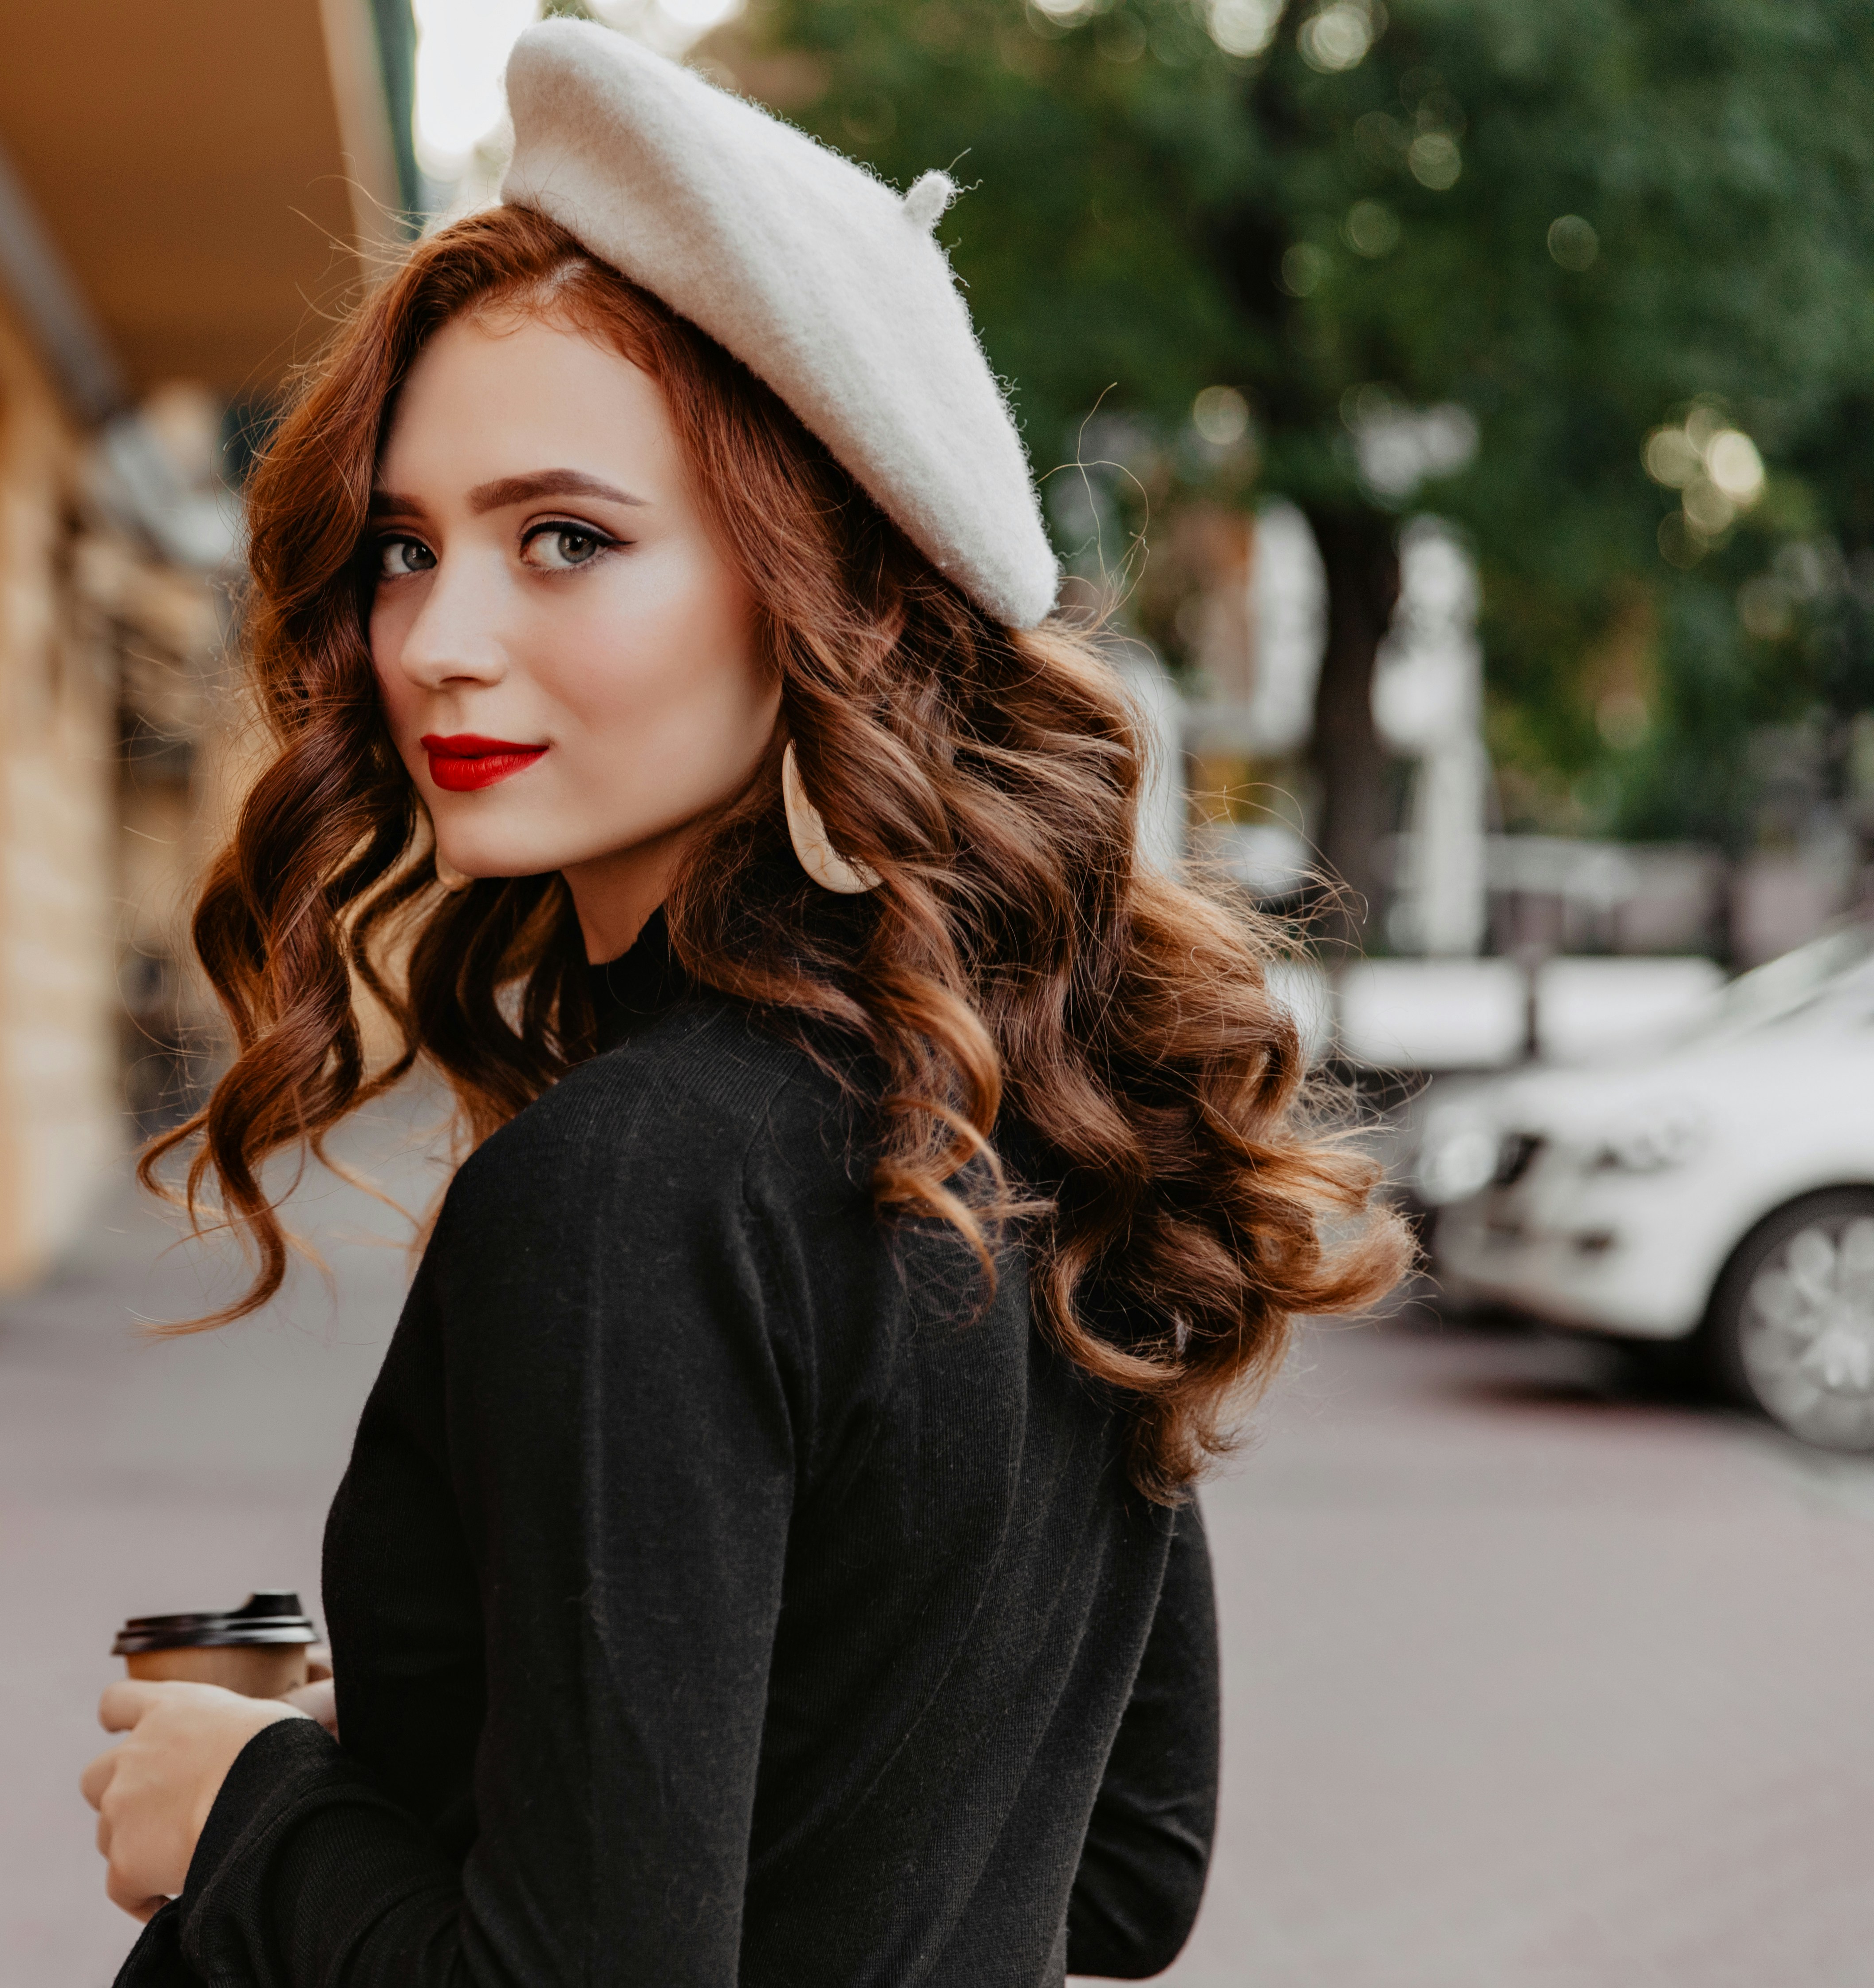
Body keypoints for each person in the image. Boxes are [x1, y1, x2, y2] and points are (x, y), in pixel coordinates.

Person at [79, 22, 1407, 1986]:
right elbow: (1119, 1866)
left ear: (833, 592)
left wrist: (246, 1819)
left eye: (568, 541)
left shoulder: (633, 1185)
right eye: (401, 548)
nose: (439, 641)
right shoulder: (1043, 1118)